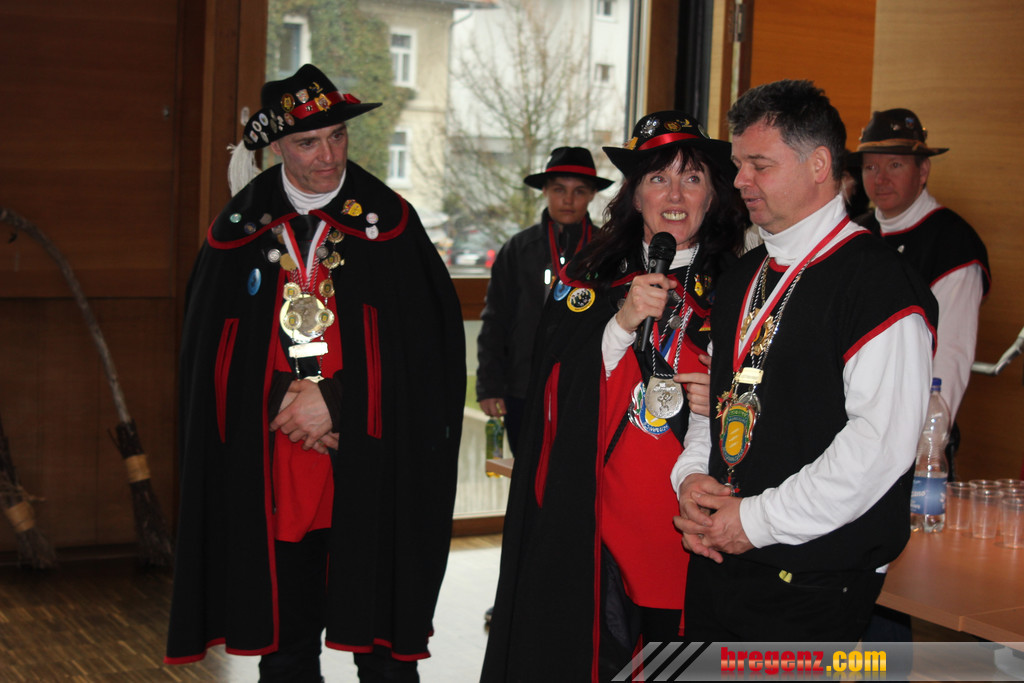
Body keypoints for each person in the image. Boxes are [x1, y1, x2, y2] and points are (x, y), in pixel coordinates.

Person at [164, 64, 466, 682]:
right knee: (285, 654)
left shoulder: (392, 225)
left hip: (373, 460)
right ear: (277, 147)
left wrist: (338, 402)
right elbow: (208, 360)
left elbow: (430, 354)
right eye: (308, 142)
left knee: (385, 659)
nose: (328, 157)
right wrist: (285, 399)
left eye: (337, 137)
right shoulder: (237, 231)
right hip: (278, 464)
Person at [481, 112, 746, 681]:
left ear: (712, 195)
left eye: (692, 178)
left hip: (694, 517)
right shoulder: (589, 274)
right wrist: (621, 323)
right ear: (634, 195)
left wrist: (725, 393)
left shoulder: (744, 283)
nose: (674, 195)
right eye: (658, 178)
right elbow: (555, 390)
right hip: (597, 516)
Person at [672, 80, 938, 642]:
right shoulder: (744, 276)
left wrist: (756, 520)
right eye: (738, 165)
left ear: (819, 165)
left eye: (759, 165)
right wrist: (692, 478)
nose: (740, 181)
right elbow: (714, 404)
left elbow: (879, 444)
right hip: (722, 558)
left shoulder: (878, 284)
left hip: (812, 577)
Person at [854, 108, 990, 468]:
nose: (880, 178)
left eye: (895, 165)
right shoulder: (854, 234)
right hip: (851, 429)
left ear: (923, 171)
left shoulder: (952, 244)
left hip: (911, 436)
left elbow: (951, 353)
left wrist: (928, 445)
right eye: (870, 167)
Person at [476, 147, 613, 456]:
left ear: (593, 195)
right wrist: (489, 386)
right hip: (522, 387)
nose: (568, 200)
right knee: (526, 472)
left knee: (577, 473)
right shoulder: (518, 249)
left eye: (579, 191)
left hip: (586, 389)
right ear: (545, 191)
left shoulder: (607, 251)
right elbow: (495, 320)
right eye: (559, 190)